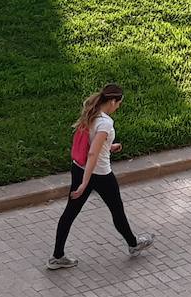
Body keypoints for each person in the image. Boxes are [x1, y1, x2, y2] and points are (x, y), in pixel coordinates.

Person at [49, 84, 154, 269]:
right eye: (119, 103)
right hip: (100, 174)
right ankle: (133, 244)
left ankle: (57, 256)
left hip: (79, 168)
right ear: (112, 101)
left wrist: (109, 146)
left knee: (70, 213)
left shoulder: (91, 111)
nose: (118, 107)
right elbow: (93, 154)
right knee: (117, 210)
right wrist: (85, 183)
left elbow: (92, 144)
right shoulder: (105, 122)